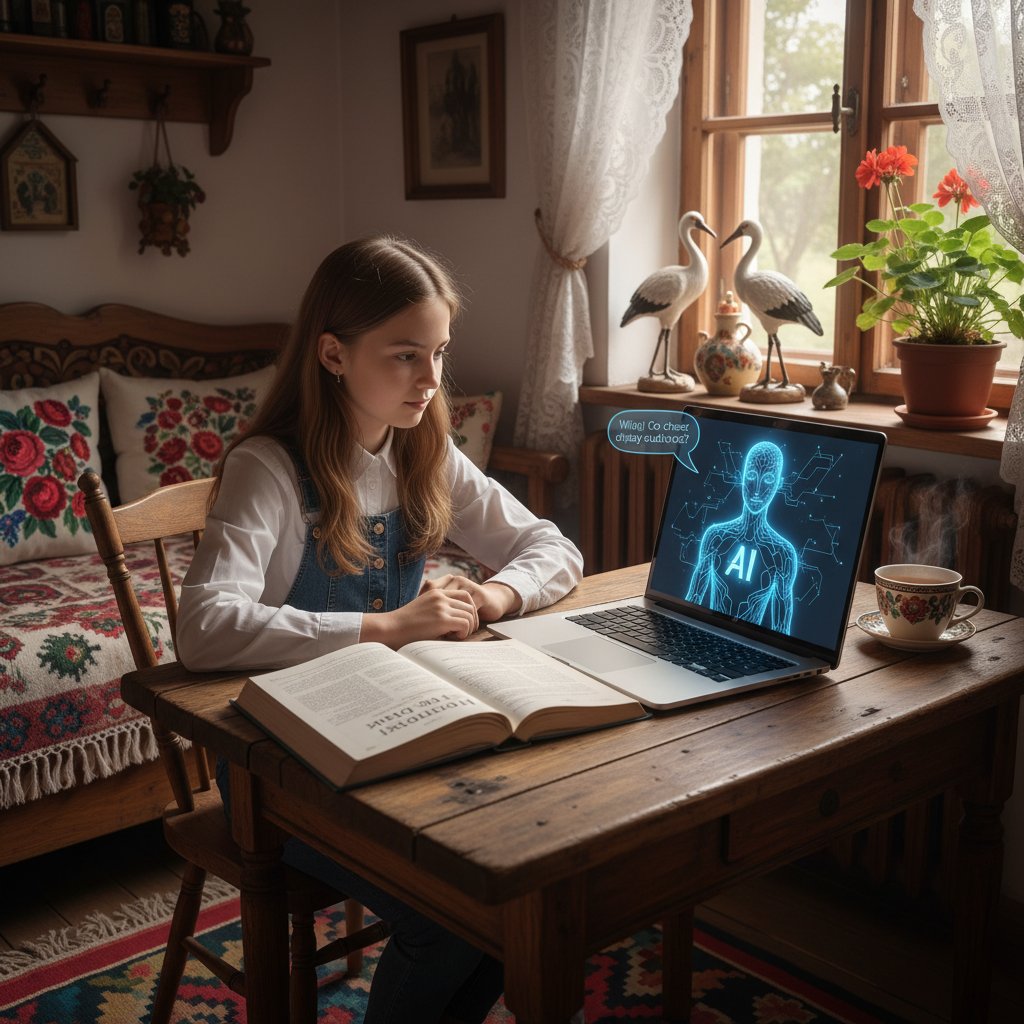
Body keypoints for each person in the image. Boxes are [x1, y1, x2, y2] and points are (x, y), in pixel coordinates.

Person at [175, 235, 583, 1024]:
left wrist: (493, 599)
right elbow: (205, 628)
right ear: (333, 353)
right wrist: (386, 625)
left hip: (385, 728)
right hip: (275, 767)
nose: (431, 381)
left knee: (512, 894)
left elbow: (551, 547)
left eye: (439, 353)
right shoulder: (269, 468)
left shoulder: (423, 452)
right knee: (450, 922)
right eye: (404, 356)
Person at [684, 440, 797, 633]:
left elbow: (781, 630)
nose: (757, 489)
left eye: (768, 479)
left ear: (779, 483)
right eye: (752, 475)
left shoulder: (783, 553)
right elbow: (690, 603)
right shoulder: (715, 536)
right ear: (742, 477)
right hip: (706, 638)